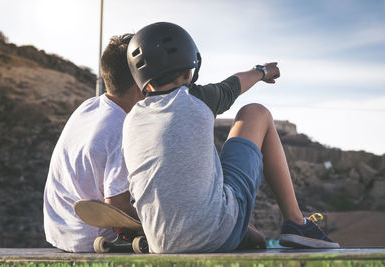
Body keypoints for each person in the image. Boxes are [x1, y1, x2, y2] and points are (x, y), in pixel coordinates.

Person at [122, 22, 340, 253]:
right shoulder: (197, 98)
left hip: (160, 243)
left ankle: (238, 228)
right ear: (189, 71)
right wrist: (263, 71)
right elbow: (234, 85)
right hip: (215, 234)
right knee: (256, 112)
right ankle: (297, 223)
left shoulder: (130, 122)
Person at [43, 34, 143, 252]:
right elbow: (116, 207)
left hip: (59, 231)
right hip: (92, 239)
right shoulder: (122, 128)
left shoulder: (88, 107)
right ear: (140, 84)